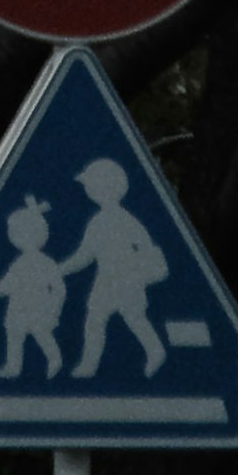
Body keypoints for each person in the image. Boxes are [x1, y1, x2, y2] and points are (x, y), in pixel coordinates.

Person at [61, 158, 170, 376]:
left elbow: (85, 255)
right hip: (110, 281)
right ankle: (90, 365)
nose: (88, 190)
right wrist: (61, 269)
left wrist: (59, 269)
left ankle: (154, 352)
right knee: (104, 320)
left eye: (91, 185)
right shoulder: (107, 221)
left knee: (125, 319)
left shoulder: (116, 221)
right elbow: (85, 255)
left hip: (124, 280)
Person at [0, 192, 70, 377]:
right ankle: (13, 367)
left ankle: (55, 359)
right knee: (14, 335)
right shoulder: (19, 263)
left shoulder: (45, 263)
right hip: (18, 309)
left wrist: (54, 307)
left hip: (37, 308)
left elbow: (58, 287)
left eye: (17, 232)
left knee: (41, 334)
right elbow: (7, 284)